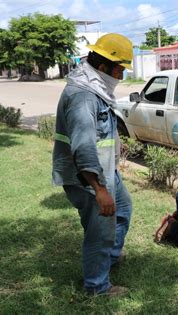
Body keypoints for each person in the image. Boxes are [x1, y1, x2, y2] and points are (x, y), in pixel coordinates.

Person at [52, 33, 134, 296]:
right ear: (103, 67)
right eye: (120, 69)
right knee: (100, 228)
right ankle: (97, 287)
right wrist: (99, 189)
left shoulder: (95, 87)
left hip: (105, 172)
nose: (121, 76)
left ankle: (108, 257)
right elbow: (84, 146)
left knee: (122, 209)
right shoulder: (84, 96)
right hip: (88, 178)